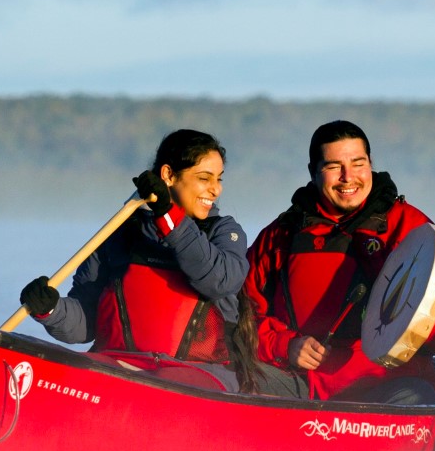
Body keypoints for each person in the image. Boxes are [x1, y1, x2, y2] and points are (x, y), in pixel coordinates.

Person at [243, 120, 435, 403]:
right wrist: (285, 345)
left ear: (371, 163)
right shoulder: (280, 235)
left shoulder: (410, 227)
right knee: (232, 379)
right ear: (313, 172)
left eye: (358, 163)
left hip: (389, 385)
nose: (348, 177)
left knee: (417, 396)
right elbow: (241, 315)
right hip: (298, 384)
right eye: (333, 166)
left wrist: (410, 322)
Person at [18, 128, 257, 392]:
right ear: (168, 175)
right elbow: (85, 324)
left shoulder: (224, 232)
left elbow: (220, 281)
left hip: (203, 376)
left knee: (159, 385)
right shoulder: (120, 232)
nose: (215, 190)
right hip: (118, 368)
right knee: (33, 356)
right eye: (204, 178)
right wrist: (51, 311)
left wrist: (168, 215)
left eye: (219, 179)